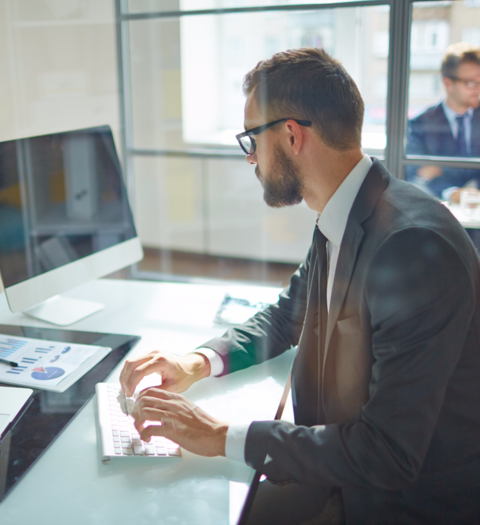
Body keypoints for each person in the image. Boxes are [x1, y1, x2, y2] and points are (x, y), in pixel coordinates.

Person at [121, 48, 480, 524]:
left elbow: (388, 453)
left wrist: (218, 434)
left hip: (394, 505)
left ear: (291, 135)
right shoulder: (348, 209)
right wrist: (197, 361)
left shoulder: (409, 245)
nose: (250, 157)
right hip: (336, 474)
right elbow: (291, 312)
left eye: (252, 138)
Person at [407, 42, 480, 203]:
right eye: (471, 83)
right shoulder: (420, 123)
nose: (478, 89)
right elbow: (415, 174)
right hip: (438, 208)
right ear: (448, 83)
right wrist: (451, 192)